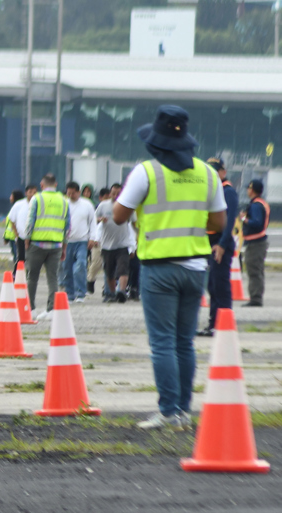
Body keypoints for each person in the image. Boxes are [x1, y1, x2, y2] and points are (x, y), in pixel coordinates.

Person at [113, 105, 225, 430]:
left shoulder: (145, 172)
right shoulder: (207, 173)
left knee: (162, 342)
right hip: (195, 268)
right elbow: (218, 222)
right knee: (184, 341)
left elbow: (119, 216)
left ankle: (168, 411)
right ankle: (184, 411)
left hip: (159, 268)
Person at [199, 158, 238, 335]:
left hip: (220, 244)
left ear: (223, 172)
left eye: (215, 170)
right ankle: (214, 323)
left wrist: (222, 245)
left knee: (220, 286)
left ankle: (223, 325)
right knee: (213, 285)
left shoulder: (227, 191)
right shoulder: (213, 191)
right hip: (211, 243)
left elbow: (229, 222)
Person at [24, 174, 69, 321]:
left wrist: (27, 239)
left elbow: (30, 221)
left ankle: (31, 309)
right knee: (53, 278)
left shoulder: (36, 198)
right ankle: (52, 310)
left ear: (42, 185)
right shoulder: (64, 201)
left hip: (37, 244)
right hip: (56, 245)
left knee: (32, 277)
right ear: (55, 185)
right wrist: (64, 246)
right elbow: (68, 227)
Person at [96, 183, 134, 302]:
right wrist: (99, 219)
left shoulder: (128, 206)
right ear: (110, 194)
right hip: (107, 245)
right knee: (109, 272)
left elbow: (134, 224)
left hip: (123, 244)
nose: (116, 195)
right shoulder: (103, 206)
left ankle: (121, 292)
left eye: (118, 193)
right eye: (113, 193)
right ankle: (112, 294)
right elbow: (94, 219)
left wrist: (133, 245)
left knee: (123, 269)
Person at [63, 181, 95, 305]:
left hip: (82, 241)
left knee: (80, 265)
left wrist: (93, 238)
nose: (70, 195)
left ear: (78, 192)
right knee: (67, 268)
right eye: (68, 193)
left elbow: (92, 222)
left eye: (73, 193)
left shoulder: (87, 205)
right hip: (67, 241)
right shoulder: (64, 204)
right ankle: (70, 294)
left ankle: (80, 293)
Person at [241, 178, 270, 308]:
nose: (247, 191)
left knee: (254, 271)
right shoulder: (260, 203)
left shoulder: (256, 205)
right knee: (257, 270)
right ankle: (256, 296)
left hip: (255, 243)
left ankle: (255, 298)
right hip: (257, 242)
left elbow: (257, 223)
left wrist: (244, 219)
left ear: (252, 190)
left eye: (248, 188)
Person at [87, 187, 108, 295]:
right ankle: (90, 281)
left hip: (109, 241)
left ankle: (107, 288)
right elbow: (92, 222)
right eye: (105, 197)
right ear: (100, 198)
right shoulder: (98, 207)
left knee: (109, 265)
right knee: (96, 263)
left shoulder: (115, 207)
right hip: (98, 240)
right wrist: (94, 238)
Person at [3, 189, 24, 259]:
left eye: (11, 196)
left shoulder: (18, 208)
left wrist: (17, 237)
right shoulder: (14, 208)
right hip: (12, 238)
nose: (10, 198)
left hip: (16, 238)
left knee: (18, 259)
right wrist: (6, 237)